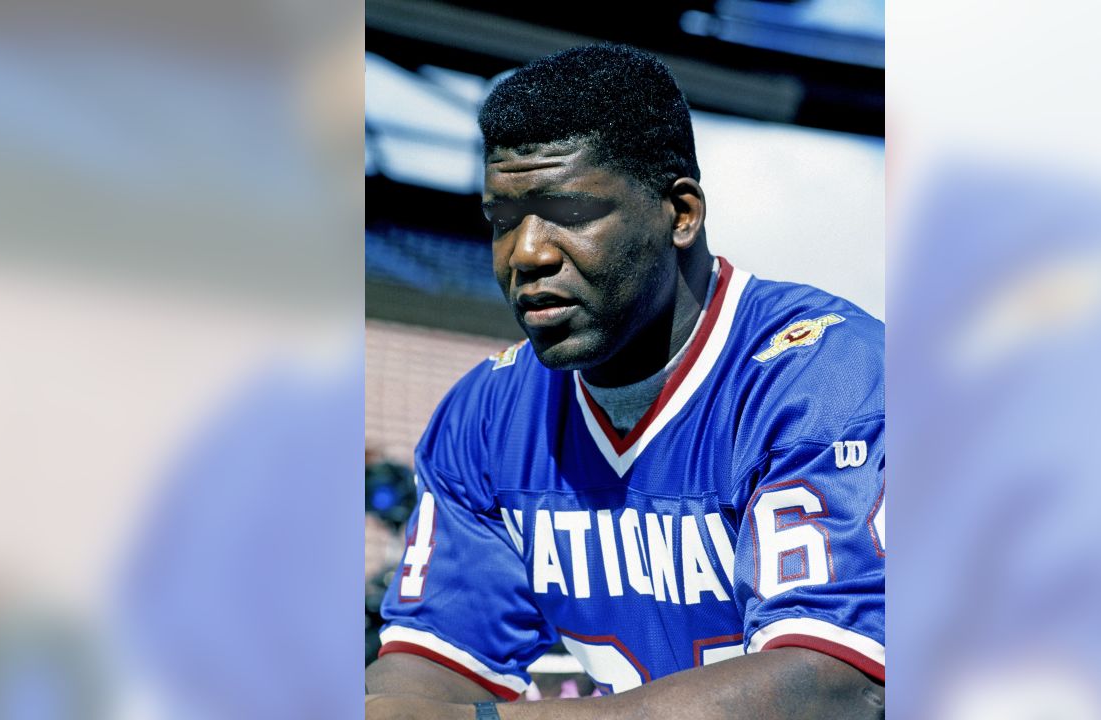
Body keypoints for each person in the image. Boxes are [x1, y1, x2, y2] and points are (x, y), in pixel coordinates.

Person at [365, 44, 885, 719]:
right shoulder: (487, 415)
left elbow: (835, 686)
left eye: (572, 213)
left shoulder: (821, 375)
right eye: (502, 220)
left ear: (681, 212)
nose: (527, 253)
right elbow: (431, 668)